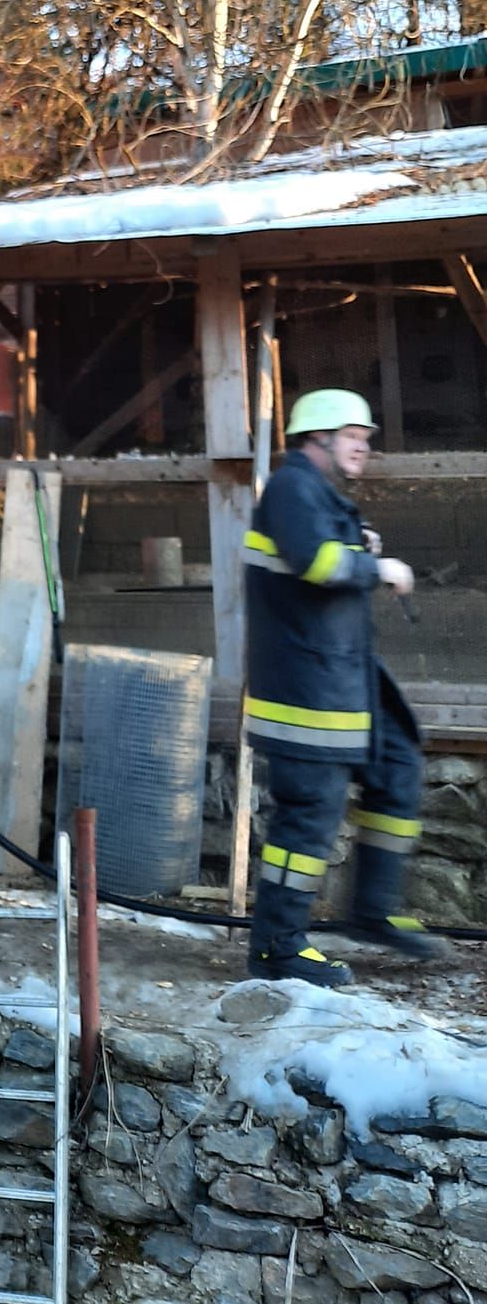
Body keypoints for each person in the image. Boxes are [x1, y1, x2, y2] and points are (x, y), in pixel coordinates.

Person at [244, 388, 441, 987]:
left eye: (365, 435)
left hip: (346, 682)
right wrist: (376, 566)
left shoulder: (313, 492)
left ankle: (372, 912)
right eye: (352, 434)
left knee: (398, 770)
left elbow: (324, 555)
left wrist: (360, 548)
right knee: (307, 823)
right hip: (307, 696)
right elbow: (317, 563)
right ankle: (278, 948)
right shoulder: (290, 487)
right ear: (315, 438)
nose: (364, 444)